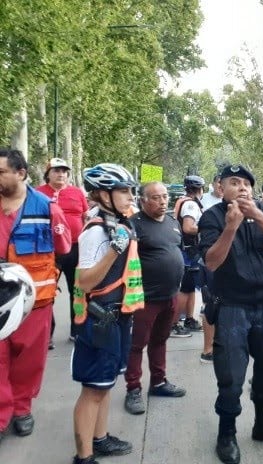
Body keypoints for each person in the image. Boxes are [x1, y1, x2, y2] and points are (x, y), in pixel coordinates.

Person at [199, 164, 263, 464]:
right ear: (220, 188)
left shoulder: (261, 213)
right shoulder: (212, 217)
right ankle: (226, 433)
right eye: (234, 182)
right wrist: (231, 227)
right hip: (231, 309)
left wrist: (256, 215)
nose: (242, 188)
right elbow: (212, 262)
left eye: (246, 183)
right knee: (231, 377)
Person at [71, 163, 144, 464]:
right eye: (123, 191)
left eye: (130, 190)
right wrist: (114, 249)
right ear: (103, 194)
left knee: (105, 384)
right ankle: (83, 457)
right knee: (93, 390)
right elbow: (84, 281)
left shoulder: (118, 223)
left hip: (118, 316)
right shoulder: (96, 232)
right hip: (101, 319)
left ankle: (99, 439)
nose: (130, 196)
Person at [0, 148, 71, 442]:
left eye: (1, 172)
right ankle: (3, 414)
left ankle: (22, 407)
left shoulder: (45, 208)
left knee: (29, 360)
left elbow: (64, 246)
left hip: (34, 301)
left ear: (20, 174)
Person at [124, 182, 186, 415]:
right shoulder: (133, 225)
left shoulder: (172, 222)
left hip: (170, 296)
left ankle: (158, 382)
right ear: (143, 200)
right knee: (137, 345)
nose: (162, 201)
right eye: (156, 197)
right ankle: (133, 389)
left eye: (165, 197)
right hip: (144, 299)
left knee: (160, 340)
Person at [36, 157, 89, 346]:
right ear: (47, 174)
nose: (61, 174)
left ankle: (77, 330)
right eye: (56, 171)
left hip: (75, 249)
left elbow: (86, 217)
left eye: (64, 171)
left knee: (78, 291)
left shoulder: (77, 193)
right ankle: (46, 334)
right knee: (46, 292)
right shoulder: (37, 194)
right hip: (49, 251)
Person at [172, 175, 206, 337]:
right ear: (200, 189)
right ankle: (174, 323)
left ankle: (189, 319)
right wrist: (206, 228)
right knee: (185, 288)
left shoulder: (183, 201)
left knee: (191, 287)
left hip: (188, 250)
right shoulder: (191, 204)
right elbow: (188, 228)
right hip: (188, 251)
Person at [199, 174, 222, 364]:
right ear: (214, 184)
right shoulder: (204, 202)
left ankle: (221, 344)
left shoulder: (241, 204)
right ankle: (207, 349)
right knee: (210, 302)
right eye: (219, 182)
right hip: (210, 260)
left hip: (231, 265)